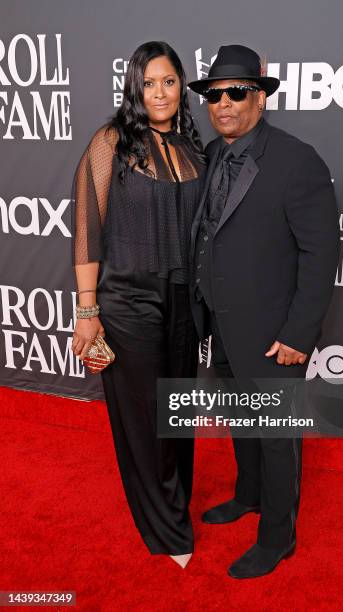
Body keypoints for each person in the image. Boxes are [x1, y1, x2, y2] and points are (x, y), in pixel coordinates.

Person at [188, 44, 340, 578]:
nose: (223, 104)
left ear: (260, 95)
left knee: (276, 437)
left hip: (276, 333)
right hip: (222, 324)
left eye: (237, 92)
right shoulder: (209, 155)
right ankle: (247, 496)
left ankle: (278, 538)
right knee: (242, 424)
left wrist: (301, 332)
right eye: (214, 95)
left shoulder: (297, 159)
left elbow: (323, 253)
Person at [70, 41, 206, 569]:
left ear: (181, 86)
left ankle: (177, 502)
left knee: (178, 413)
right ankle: (165, 527)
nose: (159, 92)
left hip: (183, 301)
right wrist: (87, 311)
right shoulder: (112, 142)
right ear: (134, 87)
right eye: (148, 83)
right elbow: (87, 230)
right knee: (145, 417)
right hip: (127, 300)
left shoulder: (196, 147)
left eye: (169, 81)